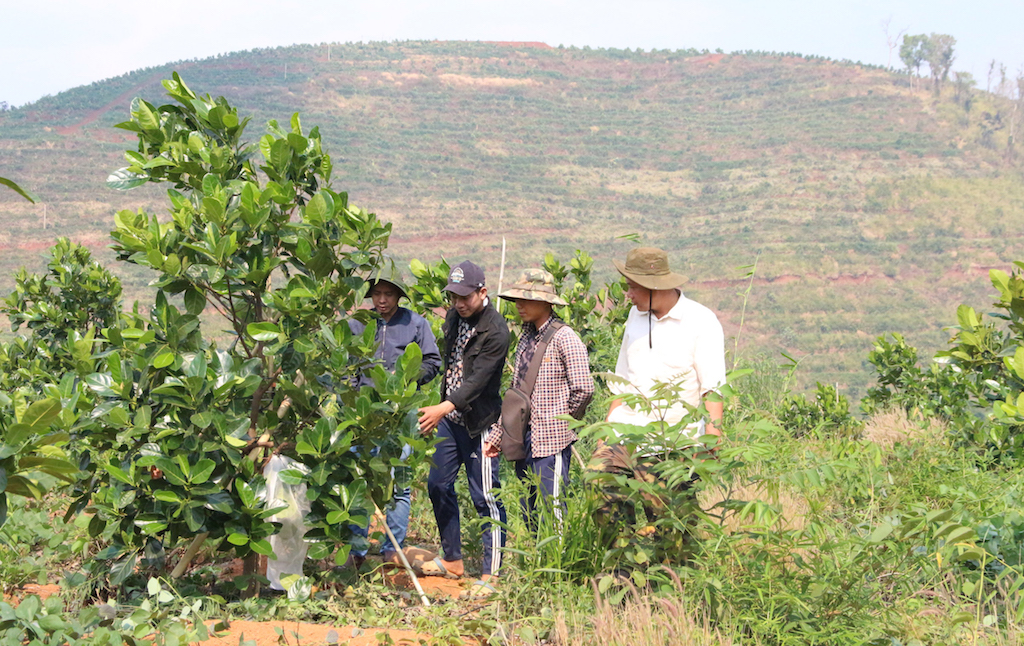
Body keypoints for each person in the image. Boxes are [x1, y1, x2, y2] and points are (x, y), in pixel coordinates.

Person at [590, 246, 726, 552]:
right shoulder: (635, 317)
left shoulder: (701, 322)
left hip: (672, 441)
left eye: (632, 288)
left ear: (653, 287)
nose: (628, 295)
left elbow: (713, 386)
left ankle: (674, 589)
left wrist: (713, 437)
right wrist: (606, 430)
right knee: (599, 487)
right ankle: (623, 568)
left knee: (673, 529)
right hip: (625, 434)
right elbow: (623, 378)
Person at [416, 260, 509, 596]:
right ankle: (453, 559)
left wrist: (442, 408)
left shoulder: (497, 331)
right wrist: (444, 409)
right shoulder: (455, 316)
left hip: (479, 423)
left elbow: (477, 382)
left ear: (482, 292)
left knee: (485, 495)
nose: (458, 303)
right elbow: (452, 363)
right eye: (453, 296)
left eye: (465, 297)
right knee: (438, 484)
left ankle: (492, 573)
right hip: (451, 421)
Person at [484, 269, 594, 530]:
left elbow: (584, 389)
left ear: (546, 302)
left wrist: (562, 421)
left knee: (552, 507)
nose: (519, 305)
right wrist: (499, 435)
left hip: (551, 439)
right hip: (524, 437)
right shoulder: (526, 336)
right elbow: (518, 392)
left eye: (526, 299)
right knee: (530, 508)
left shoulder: (565, 337)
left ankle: (557, 567)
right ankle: (536, 564)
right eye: (518, 300)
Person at [347, 266, 442, 568]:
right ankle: (356, 551)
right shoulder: (359, 324)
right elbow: (348, 364)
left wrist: (409, 379)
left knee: (399, 482)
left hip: (402, 412)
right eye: (377, 294)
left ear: (399, 296)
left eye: (388, 294)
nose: (382, 300)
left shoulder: (416, 323)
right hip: (365, 415)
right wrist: (352, 396)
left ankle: (392, 551)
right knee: (360, 482)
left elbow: (432, 361)